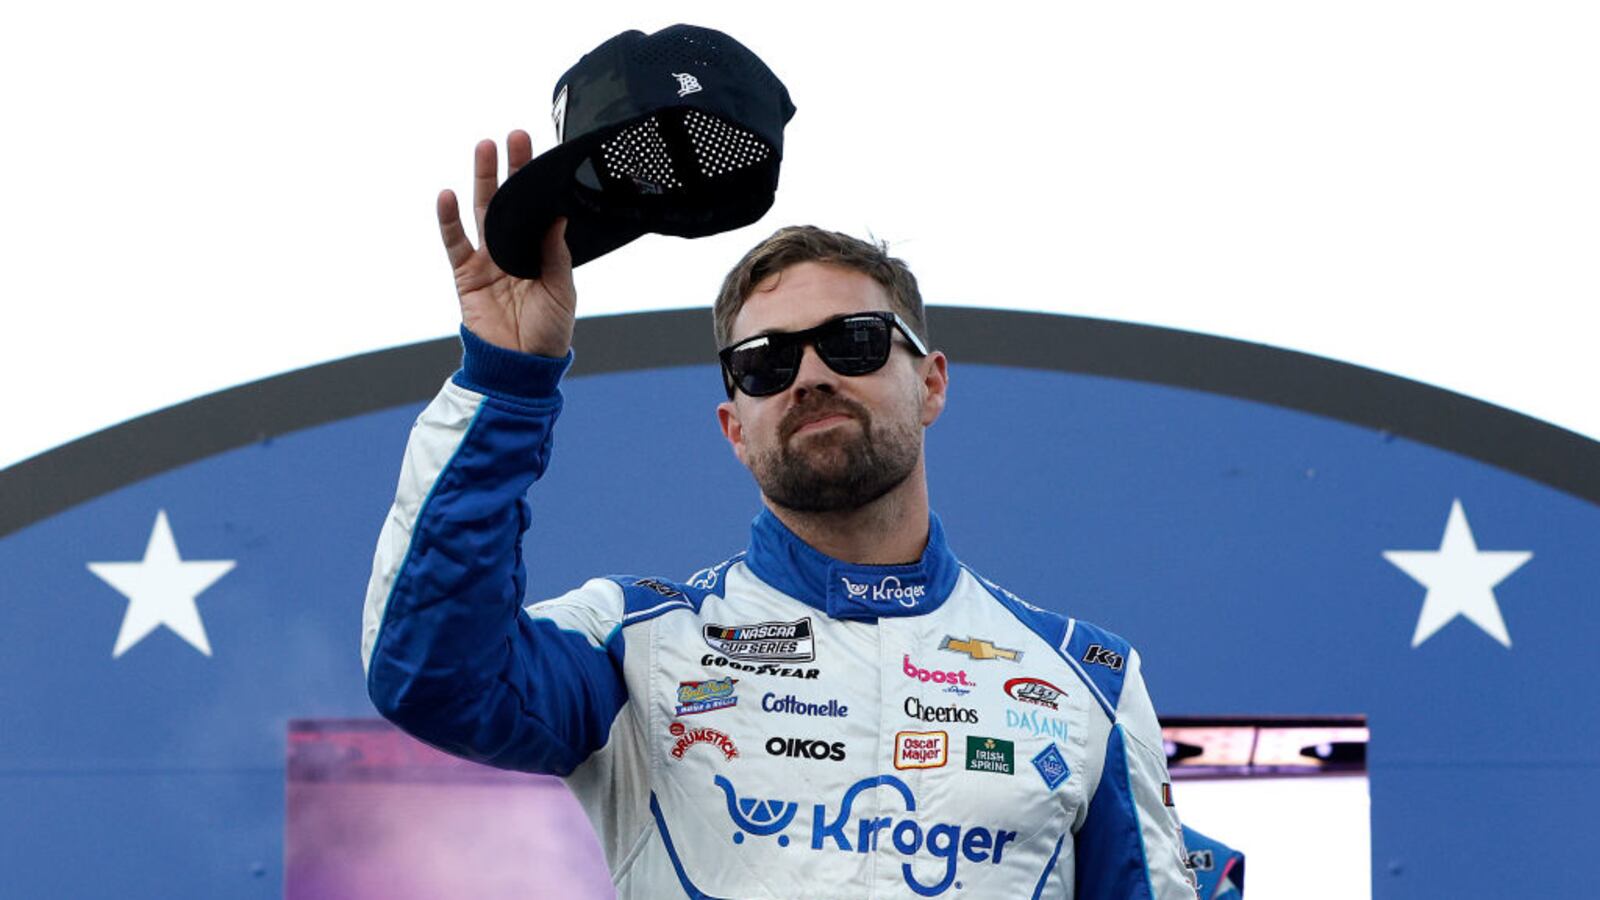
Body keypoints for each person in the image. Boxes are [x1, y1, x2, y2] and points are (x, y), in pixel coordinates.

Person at [361, 130, 1199, 899]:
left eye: (855, 341)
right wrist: (508, 380)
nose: (809, 376)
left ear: (932, 382)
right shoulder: (639, 646)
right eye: (765, 362)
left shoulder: (1088, 682)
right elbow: (431, 676)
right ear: (733, 427)